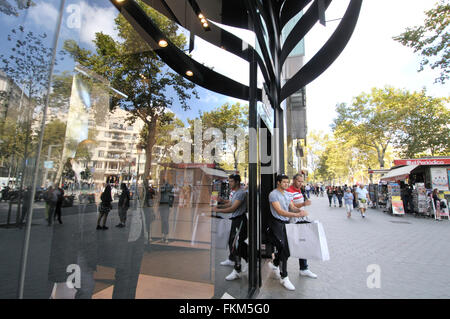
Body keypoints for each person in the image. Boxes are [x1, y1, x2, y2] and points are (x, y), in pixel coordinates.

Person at [267, 174, 308, 291]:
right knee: (283, 248)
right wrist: (296, 214)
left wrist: (300, 211)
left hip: (286, 224)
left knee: (287, 249)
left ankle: (275, 263)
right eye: (284, 182)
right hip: (276, 224)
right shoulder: (273, 194)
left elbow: (292, 207)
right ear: (278, 183)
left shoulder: (288, 194)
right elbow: (280, 211)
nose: (286, 184)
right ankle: (284, 276)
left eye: (287, 182)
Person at [212, 174, 248, 281]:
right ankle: (234, 260)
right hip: (235, 220)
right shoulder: (235, 192)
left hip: (240, 220)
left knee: (236, 244)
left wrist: (218, 210)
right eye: (229, 181)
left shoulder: (241, 193)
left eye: (231, 181)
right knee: (232, 242)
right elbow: (230, 204)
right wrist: (219, 205)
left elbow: (233, 208)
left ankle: (237, 270)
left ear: (237, 182)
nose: (229, 183)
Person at [285, 173, 318, 279]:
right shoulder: (289, 191)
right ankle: (277, 263)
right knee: (290, 244)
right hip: (294, 221)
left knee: (302, 243)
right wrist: (303, 204)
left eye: (302, 181)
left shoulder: (299, 190)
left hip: (301, 219)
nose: (301, 183)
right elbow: (291, 206)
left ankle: (304, 268)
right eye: (299, 181)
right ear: (293, 180)